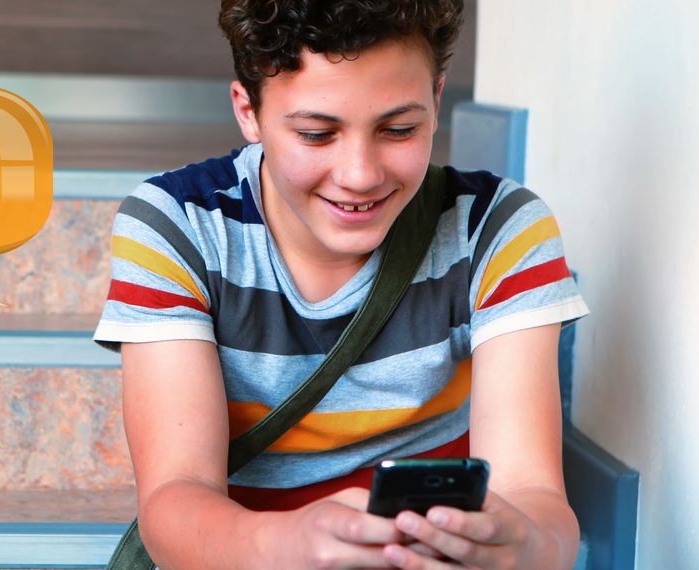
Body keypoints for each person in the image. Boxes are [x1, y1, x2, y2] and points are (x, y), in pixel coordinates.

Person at [93, 0, 589, 567]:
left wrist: (525, 544)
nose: (360, 175)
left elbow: (537, 499)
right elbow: (173, 501)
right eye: (315, 134)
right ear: (247, 111)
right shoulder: (177, 225)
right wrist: (290, 545)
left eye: (399, 129)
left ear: (437, 99)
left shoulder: (498, 229)